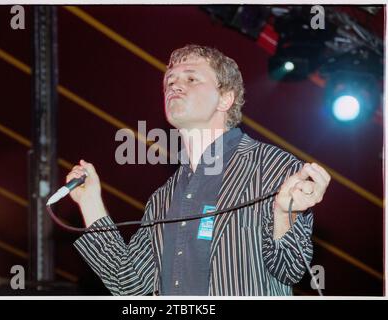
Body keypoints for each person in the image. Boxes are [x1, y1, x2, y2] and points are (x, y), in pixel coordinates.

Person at [67, 44, 331, 296]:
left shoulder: (273, 167)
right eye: (170, 81)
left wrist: (286, 213)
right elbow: (128, 285)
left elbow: (291, 269)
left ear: (225, 99)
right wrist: (90, 203)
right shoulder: (162, 199)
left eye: (191, 79)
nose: (175, 86)